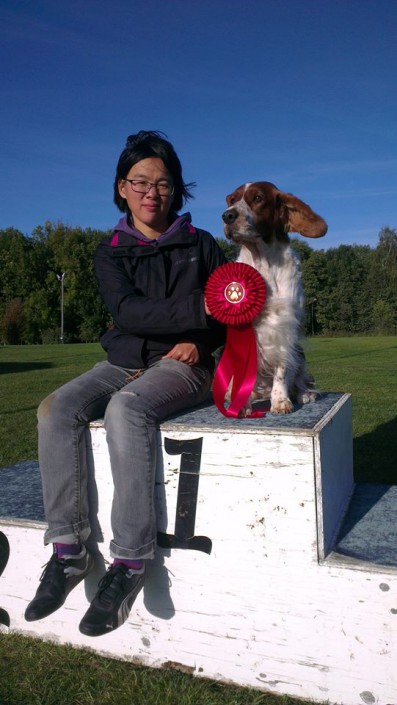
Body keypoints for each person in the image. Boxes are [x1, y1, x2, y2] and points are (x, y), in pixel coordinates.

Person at [25, 130, 226, 636]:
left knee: (126, 410)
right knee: (56, 408)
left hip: (186, 365)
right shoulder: (110, 251)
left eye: (162, 183)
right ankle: (69, 550)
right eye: (140, 181)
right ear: (121, 187)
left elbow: (229, 309)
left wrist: (201, 340)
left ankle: (132, 562)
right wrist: (194, 311)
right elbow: (126, 311)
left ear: (176, 190)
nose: (151, 192)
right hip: (123, 360)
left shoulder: (202, 244)